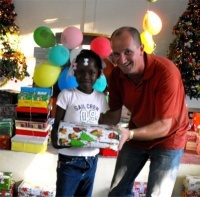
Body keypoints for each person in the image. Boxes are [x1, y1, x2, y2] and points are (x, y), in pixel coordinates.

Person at [99, 26, 189, 197]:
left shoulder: (166, 72)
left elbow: (164, 126)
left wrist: (130, 134)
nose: (122, 60)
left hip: (169, 138)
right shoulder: (117, 76)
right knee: (117, 192)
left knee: (156, 194)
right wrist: (88, 123)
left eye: (128, 52)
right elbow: (114, 115)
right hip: (137, 133)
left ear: (141, 49)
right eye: (116, 54)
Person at [51, 49, 109, 197]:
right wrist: (59, 141)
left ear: (98, 74)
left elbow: (101, 127)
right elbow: (57, 125)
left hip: (91, 159)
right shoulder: (67, 95)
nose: (86, 76)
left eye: (91, 72)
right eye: (81, 71)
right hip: (69, 160)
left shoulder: (100, 98)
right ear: (74, 72)